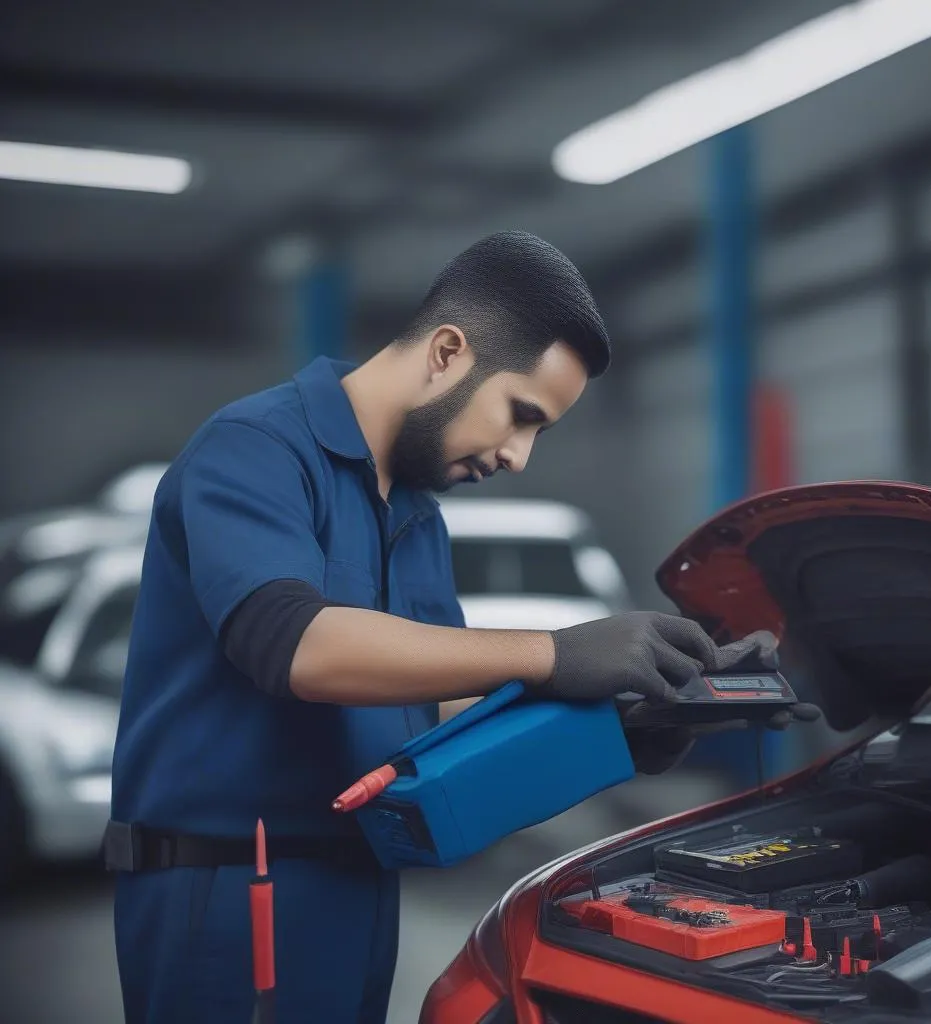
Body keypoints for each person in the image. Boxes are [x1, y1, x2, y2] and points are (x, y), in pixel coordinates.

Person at [106, 231, 778, 1023]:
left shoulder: (416, 516)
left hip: (355, 888)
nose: (520, 455)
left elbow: (421, 720)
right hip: (229, 890)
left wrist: (619, 727)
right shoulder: (255, 447)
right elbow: (293, 644)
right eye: (520, 415)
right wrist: (555, 654)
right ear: (449, 352)